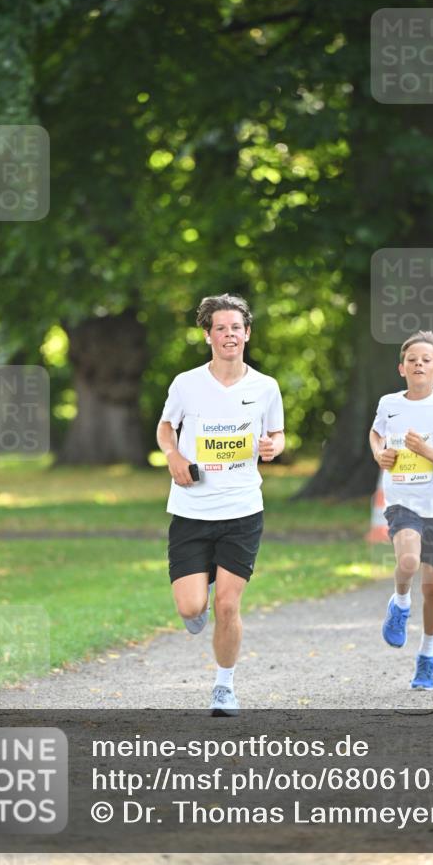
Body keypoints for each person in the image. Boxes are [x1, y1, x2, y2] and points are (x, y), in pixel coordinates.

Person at [156, 293, 285, 715]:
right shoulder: (186, 384)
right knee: (193, 608)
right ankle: (200, 587)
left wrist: (272, 446)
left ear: (247, 334)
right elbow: (164, 428)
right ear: (208, 335)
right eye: (220, 328)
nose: (229, 334)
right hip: (192, 510)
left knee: (227, 605)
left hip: (242, 510)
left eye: (236, 327)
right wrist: (174, 456)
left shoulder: (265, 387)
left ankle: (224, 687)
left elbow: (278, 436)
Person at [368, 330, 433, 690]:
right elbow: (376, 435)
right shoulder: (389, 403)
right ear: (401, 367)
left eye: (426, 360)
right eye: (412, 359)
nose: (419, 364)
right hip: (402, 501)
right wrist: (380, 453)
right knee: (407, 562)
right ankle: (399, 603)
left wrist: (426, 453)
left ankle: (427, 656)